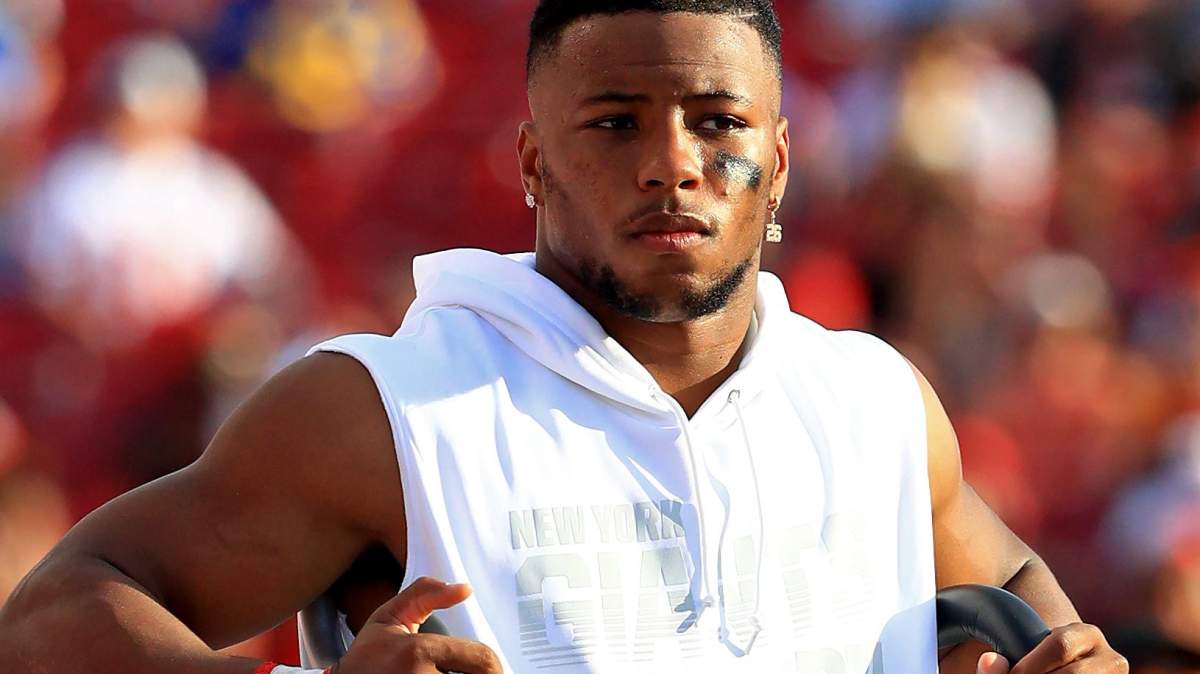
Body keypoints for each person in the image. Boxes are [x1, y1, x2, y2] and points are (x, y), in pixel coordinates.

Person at [0, 1, 1129, 672]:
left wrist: (1065, 651)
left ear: (778, 163)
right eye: (615, 123)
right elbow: (51, 616)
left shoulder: (873, 399)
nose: (672, 163)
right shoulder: (394, 408)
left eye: (718, 122)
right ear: (535, 163)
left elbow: (1009, 576)